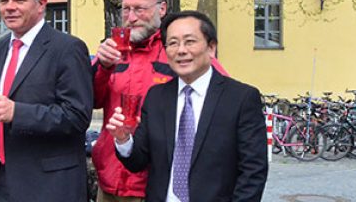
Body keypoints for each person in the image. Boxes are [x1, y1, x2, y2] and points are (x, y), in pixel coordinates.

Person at [106, 11, 268, 202]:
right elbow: (139, 161)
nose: (181, 50)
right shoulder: (156, 97)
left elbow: (253, 171)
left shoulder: (240, 98)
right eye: (173, 43)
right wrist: (124, 139)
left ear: (211, 48)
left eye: (190, 41)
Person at [92, 0, 228, 202]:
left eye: (139, 9)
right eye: (126, 9)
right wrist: (103, 67)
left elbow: (225, 99)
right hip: (111, 180)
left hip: (159, 185)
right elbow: (91, 101)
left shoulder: (179, 52)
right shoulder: (113, 51)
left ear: (161, 9)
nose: (131, 17)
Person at [0, 0, 93, 202]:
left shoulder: (68, 48)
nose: (9, 7)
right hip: (4, 178)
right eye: (4, 0)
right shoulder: (0, 48)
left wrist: (16, 112)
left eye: (19, 0)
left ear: (41, 4)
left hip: (50, 185)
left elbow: (77, 116)